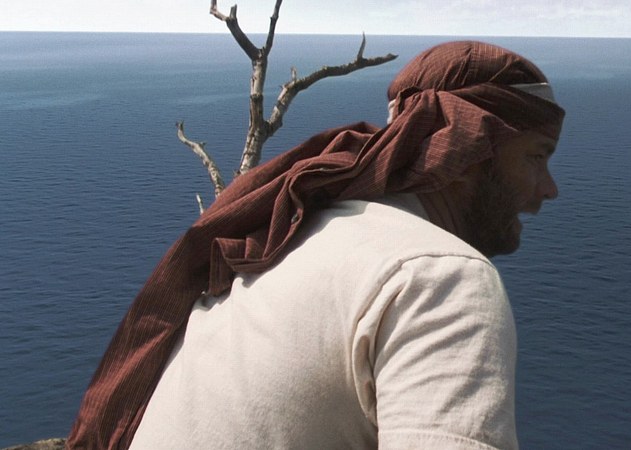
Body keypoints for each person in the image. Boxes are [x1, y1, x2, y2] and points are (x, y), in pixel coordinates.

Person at [67, 40, 565, 449]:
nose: (550, 188)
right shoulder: (440, 277)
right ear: (469, 148)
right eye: (536, 157)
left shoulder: (287, 234)